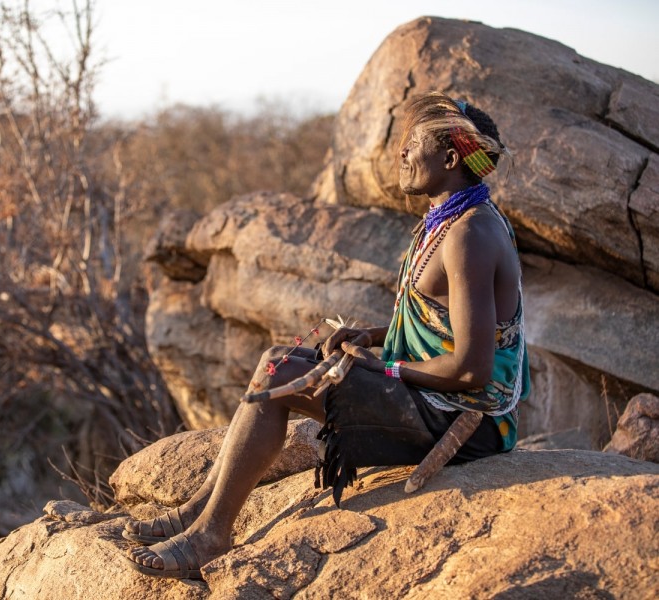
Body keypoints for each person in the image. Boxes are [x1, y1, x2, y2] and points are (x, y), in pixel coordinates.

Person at [124, 92, 530, 580]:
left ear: (448, 158)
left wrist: (383, 367)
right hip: (436, 399)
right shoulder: (448, 221)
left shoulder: (470, 235)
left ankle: (211, 534)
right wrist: (374, 336)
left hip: (466, 419)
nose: (400, 153)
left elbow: (470, 368)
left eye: (411, 143)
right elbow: (444, 322)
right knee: (280, 358)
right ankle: (199, 510)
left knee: (284, 378)